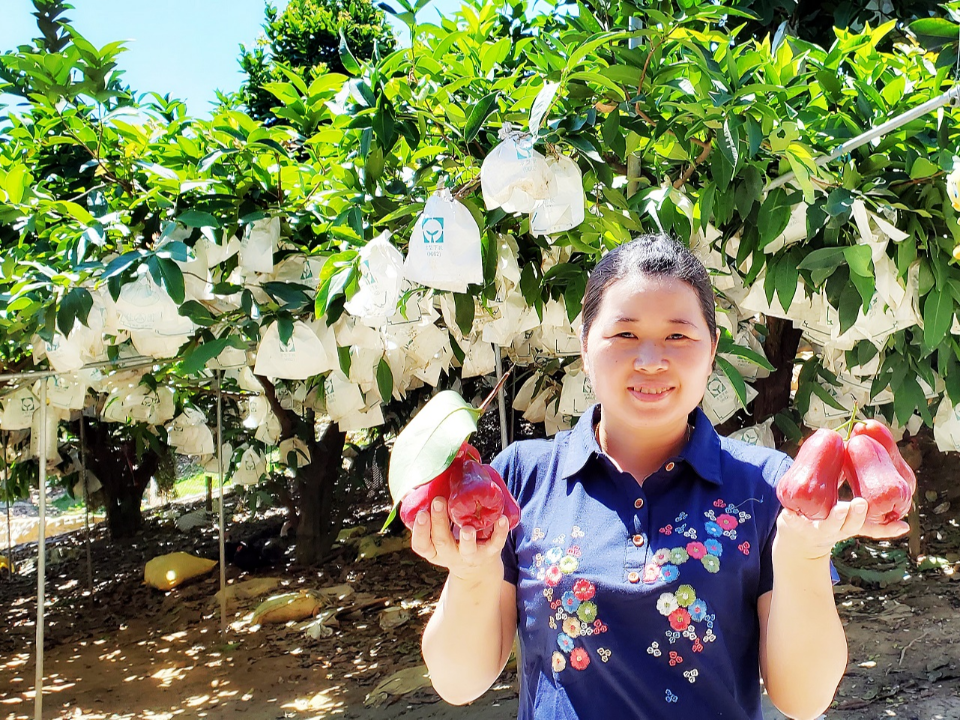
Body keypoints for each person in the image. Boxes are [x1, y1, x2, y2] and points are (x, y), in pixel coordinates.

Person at [410, 233, 908, 720]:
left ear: (711, 349)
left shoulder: (765, 487)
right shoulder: (521, 479)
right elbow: (460, 682)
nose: (651, 361)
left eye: (678, 335)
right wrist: (471, 576)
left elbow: (805, 699)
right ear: (585, 347)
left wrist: (803, 556)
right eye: (625, 334)